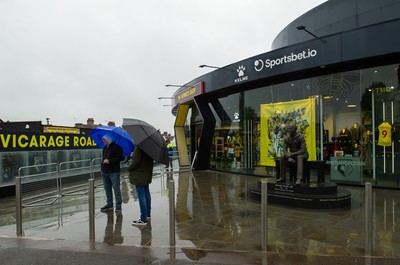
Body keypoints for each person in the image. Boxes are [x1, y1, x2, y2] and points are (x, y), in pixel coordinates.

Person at [128, 146, 154, 226]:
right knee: (146, 193)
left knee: (141, 195)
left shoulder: (139, 147)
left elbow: (136, 162)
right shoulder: (150, 147)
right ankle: (147, 214)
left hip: (139, 174)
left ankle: (143, 219)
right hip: (146, 173)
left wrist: (130, 167)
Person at [100, 133, 124, 214]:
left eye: (105, 140)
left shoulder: (117, 148)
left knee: (116, 189)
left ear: (109, 139)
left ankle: (118, 206)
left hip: (114, 172)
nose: (103, 141)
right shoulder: (104, 148)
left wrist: (110, 161)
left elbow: (121, 158)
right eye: (103, 140)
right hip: (105, 171)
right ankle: (109, 204)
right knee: (107, 189)